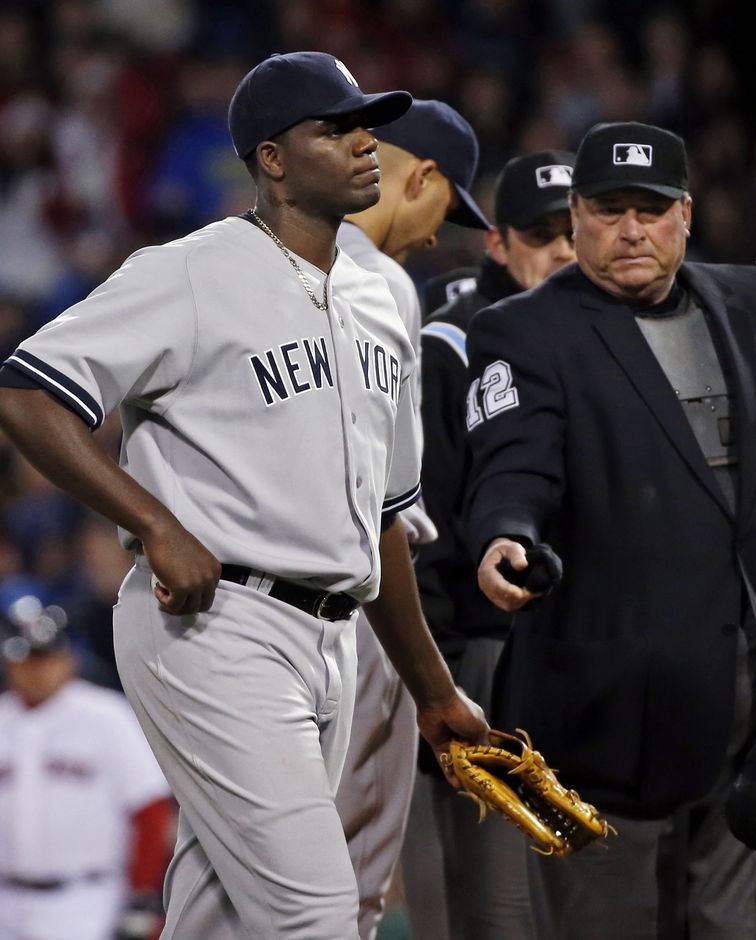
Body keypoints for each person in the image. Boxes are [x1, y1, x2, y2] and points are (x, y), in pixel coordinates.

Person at [0, 51, 488, 940]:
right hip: (217, 623)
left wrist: (432, 690)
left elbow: (384, 518)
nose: (362, 143)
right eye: (334, 128)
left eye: (365, 125)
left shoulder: (384, 296)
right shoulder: (192, 269)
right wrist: (150, 520)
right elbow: (28, 394)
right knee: (313, 914)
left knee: (222, 915)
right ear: (272, 158)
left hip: (334, 638)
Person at [464, 120, 756, 940]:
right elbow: (513, 460)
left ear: (688, 214)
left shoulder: (745, 300)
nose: (631, 231)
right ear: (576, 218)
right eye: (610, 210)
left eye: (650, 209)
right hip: (601, 717)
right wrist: (506, 535)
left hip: (749, 701)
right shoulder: (523, 331)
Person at [400, 149, 576, 940]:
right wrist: (430, 673)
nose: (564, 249)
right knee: (497, 912)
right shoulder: (455, 342)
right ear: (498, 243)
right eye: (541, 234)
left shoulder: (608, 328)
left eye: (576, 229)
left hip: (589, 649)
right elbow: (424, 522)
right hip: (489, 652)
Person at [333, 97, 490, 940]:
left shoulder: (235, 258)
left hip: (223, 616)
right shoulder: (380, 282)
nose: (438, 236)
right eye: (444, 206)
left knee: (231, 878)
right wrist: (432, 684)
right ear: (419, 174)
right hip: (349, 612)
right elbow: (389, 510)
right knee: (343, 885)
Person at [0, 576, 173, 940]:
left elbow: (151, 812)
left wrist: (141, 896)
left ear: (68, 658)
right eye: (26, 659)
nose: (35, 669)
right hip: (7, 903)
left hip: (86, 903)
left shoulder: (105, 716)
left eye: (45, 658)